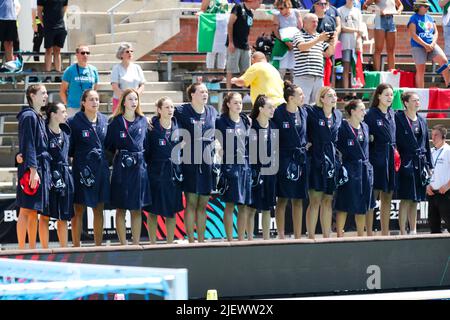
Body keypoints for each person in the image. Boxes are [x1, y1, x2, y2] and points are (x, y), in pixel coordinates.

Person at [105, 89, 150, 245]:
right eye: (130, 99)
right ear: (123, 102)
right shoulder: (114, 121)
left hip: (139, 169)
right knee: (121, 207)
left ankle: (136, 243)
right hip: (122, 168)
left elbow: (147, 145)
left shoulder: (144, 121)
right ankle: (123, 243)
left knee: (137, 208)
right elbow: (108, 146)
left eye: (136, 99)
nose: (133, 102)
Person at [174, 83, 218, 243]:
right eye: (201, 91)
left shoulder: (212, 111)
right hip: (190, 162)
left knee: (203, 203)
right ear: (192, 94)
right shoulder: (182, 111)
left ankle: (201, 240)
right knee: (191, 202)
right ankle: (191, 240)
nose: (205, 94)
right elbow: (166, 114)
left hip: (207, 163)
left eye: (206, 91)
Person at [68, 89, 110, 247]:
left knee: (99, 209)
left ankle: (98, 246)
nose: (95, 102)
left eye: (97, 99)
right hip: (82, 170)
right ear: (83, 103)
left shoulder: (105, 121)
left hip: (101, 170)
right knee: (78, 209)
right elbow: (70, 148)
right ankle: (76, 246)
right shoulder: (73, 121)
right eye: (91, 99)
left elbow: (110, 146)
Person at [272, 81, 309, 239]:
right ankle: (280, 235)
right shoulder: (278, 113)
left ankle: (298, 235)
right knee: (282, 199)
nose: (303, 97)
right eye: (300, 94)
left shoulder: (304, 112)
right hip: (284, 159)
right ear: (291, 98)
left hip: (300, 159)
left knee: (298, 200)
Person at [144, 97, 184, 244]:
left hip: (173, 174)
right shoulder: (151, 127)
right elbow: (146, 151)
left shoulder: (178, 126)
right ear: (159, 110)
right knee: (153, 211)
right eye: (166, 107)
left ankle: (169, 242)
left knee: (171, 211)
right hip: (155, 173)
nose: (170, 110)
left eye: (172, 107)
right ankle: (152, 242)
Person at [16, 84, 51, 250]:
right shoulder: (29, 116)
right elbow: (28, 144)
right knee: (25, 210)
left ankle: (31, 248)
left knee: (33, 211)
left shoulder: (39, 116)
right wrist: (33, 170)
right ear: (32, 95)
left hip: (38, 166)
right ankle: (21, 250)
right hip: (32, 168)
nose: (46, 95)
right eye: (42, 93)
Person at [306, 87, 342, 239]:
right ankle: (311, 236)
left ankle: (327, 236)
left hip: (332, 160)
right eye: (329, 95)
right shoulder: (312, 112)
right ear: (321, 99)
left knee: (328, 199)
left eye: (335, 95)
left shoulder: (338, 114)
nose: (334, 98)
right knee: (315, 200)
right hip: (316, 158)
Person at [216, 92, 252, 241]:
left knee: (243, 205)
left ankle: (241, 239)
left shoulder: (245, 120)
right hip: (230, 166)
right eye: (235, 102)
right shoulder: (220, 121)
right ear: (228, 104)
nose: (239, 105)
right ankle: (230, 239)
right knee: (230, 204)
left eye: (240, 103)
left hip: (245, 165)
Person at [335, 100, 374, 237]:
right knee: (343, 204)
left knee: (362, 206)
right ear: (352, 111)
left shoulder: (365, 126)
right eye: (362, 109)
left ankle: (360, 235)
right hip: (349, 169)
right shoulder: (342, 127)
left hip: (364, 171)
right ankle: (340, 235)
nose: (365, 112)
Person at [395, 91, 432, 235]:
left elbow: (426, 145)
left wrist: (429, 165)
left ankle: (413, 230)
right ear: (406, 103)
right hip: (406, 162)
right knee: (405, 198)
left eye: (418, 100)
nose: (418, 102)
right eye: (414, 100)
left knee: (415, 199)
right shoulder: (399, 118)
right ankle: (403, 231)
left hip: (420, 163)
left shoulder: (422, 120)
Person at [39, 102, 74, 248]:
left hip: (65, 175)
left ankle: (64, 248)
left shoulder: (66, 132)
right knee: (45, 216)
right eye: (63, 111)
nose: (66, 114)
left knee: (64, 216)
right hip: (48, 175)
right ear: (53, 114)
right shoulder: (43, 132)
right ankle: (44, 250)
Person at [364, 83, 397, 236]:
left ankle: (385, 232)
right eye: (386, 94)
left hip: (390, 159)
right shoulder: (370, 114)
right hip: (376, 158)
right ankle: (369, 233)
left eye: (391, 94)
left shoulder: (392, 114)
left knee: (388, 196)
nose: (389, 97)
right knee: (373, 197)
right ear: (378, 96)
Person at [247, 95, 277, 240]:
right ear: (260, 109)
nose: (273, 110)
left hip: (270, 173)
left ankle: (266, 240)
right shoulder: (251, 127)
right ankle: (249, 240)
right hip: (254, 173)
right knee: (251, 208)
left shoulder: (274, 126)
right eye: (270, 107)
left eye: (273, 107)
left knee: (267, 208)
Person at [292, 13, 336, 105]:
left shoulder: (319, 37)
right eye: (313, 22)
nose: (316, 24)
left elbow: (328, 53)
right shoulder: (298, 35)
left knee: (318, 104)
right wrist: (318, 39)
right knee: (302, 104)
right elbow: (302, 47)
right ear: (305, 23)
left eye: (316, 22)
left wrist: (332, 43)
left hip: (318, 76)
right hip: (303, 75)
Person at [407, 0, 450, 88]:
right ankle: (421, 93)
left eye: (428, 6)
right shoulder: (413, 18)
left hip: (432, 45)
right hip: (418, 46)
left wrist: (433, 44)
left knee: (444, 61)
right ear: (419, 7)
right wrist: (425, 45)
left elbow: (436, 32)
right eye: (425, 6)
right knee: (421, 70)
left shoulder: (430, 18)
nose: (428, 8)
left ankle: (448, 85)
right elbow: (413, 34)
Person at [225, 0, 262, 89]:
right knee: (231, 70)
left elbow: (246, 30)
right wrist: (230, 42)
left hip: (244, 45)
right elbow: (230, 24)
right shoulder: (238, 7)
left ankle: (244, 92)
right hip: (234, 44)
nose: (260, 5)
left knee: (246, 71)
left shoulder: (250, 13)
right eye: (259, 3)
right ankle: (228, 91)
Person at [362, 0, 403, 71]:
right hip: (379, 19)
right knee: (378, 49)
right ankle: (377, 73)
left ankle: (392, 73)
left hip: (391, 19)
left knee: (391, 49)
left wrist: (399, 10)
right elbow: (365, 6)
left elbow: (400, 5)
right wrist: (377, 11)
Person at [60, 45, 99, 117]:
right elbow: (63, 91)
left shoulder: (93, 70)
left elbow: (95, 89)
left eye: (87, 53)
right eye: (83, 53)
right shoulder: (70, 70)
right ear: (77, 55)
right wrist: (68, 105)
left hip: (89, 107)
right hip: (73, 108)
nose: (85, 55)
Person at [427, 125, 450, 233]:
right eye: (432, 135)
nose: (433, 137)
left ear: (443, 137)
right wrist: (427, 185)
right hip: (432, 194)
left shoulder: (448, 151)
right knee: (433, 226)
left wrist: (447, 186)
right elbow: (426, 171)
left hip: (445, 194)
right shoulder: (431, 151)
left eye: (436, 135)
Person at [37, 0, 68, 81]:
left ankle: (58, 75)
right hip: (48, 27)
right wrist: (44, 24)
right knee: (48, 50)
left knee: (57, 51)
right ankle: (48, 75)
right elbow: (39, 11)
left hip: (60, 27)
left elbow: (64, 9)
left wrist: (59, 20)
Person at [111, 43, 146, 113]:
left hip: (134, 103)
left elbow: (142, 85)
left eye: (131, 51)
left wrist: (135, 97)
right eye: (127, 51)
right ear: (121, 54)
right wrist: (126, 99)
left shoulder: (137, 68)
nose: (130, 53)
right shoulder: (116, 68)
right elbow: (115, 87)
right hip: (120, 102)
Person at [272, 0, 303, 79]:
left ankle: (296, 90)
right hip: (282, 44)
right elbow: (276, 31)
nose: (280, 10)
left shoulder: (296, 12)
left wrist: (294, 42)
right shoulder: (277, 15)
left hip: (295, 43)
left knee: (295, 70)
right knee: (281, 70)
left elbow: (300, 28)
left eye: (281, 8)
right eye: (278, 8)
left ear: (288, 6)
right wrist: (286, 42)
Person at [200, 0, 229, 81]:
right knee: (211, 50)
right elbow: (202, 10)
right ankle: (210, 75)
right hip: (212, 25)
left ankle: (221, 75)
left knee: (223, 51)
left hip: (223, 26)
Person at [338, 0, 364, 90]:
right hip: (345, 43)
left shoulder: (357, 11)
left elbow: (361, 28)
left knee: (355, 68)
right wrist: (356, 30)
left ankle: (354, 92)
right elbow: (342, 28)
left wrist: (358, 42)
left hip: (355, 43)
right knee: (346, 67)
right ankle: (346, 92)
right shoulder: (340, 10)